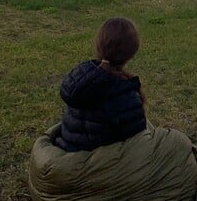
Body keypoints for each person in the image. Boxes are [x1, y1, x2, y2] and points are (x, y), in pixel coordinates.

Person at [27, 16, 197, 201]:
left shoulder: (81, 79)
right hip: (96, 160)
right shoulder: (123, 95)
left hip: (71, 148)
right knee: (178, 144)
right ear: (131, 53)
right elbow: (134, 140)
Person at [54, 16, 147, 152]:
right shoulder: (127, 96)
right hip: (95, 164)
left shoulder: (81, 77)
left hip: (68, 150)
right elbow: (135, 143)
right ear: (131, 54)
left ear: (99, 46)